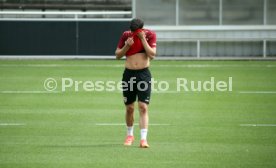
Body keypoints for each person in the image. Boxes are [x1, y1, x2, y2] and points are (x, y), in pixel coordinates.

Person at [115, 18, 157, 148]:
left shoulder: (150, 35)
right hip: (128, 75)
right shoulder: (126, 35)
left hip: (143, 74)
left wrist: (143, 39)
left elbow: (152, 55)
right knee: (129, 108)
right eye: (132, 31)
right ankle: (130, 135)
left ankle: (143, 139)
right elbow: (117, 55)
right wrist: (127, 45)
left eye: (136, 31)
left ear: (141, 29)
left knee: (143, 106)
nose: (133, 33)